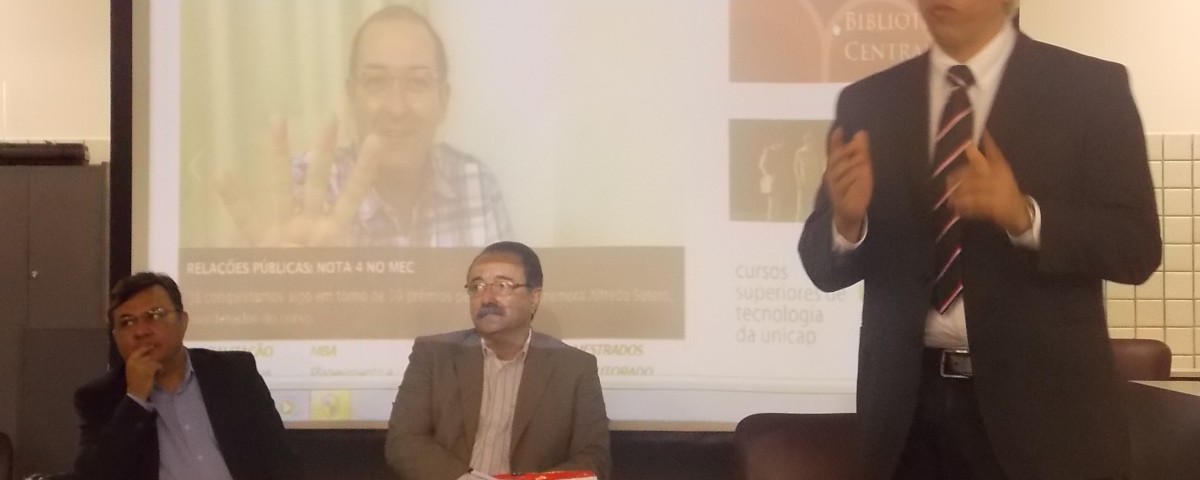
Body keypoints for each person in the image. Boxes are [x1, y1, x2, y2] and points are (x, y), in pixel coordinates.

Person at [798, 0, 1161, 479]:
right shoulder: (869, 101)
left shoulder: (1090, 89)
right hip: (906, 418)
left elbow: (1136, 247)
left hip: (1045, 417)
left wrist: (1025, 217)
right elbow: (822, 267)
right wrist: (846, 222)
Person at [218, 5, 511, 247]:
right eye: (376, 81)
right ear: (352, 97)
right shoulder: (300, 190)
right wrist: (280, 281)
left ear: (443, 100)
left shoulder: (478, 184)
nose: (396, 108)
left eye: (418, 82)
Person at [385, 241, 611, 479]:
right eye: (477, 286)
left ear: (534, 298)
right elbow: (404, 440)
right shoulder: (433, 355)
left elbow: (593, 458)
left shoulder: (574, 368)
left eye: (502, 285)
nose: (486, 298)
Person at [74, 272, 297, 480]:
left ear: (183, 321)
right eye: (127, 322)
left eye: (155, 315)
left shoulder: (234, 372)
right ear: (115, 337)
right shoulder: (100, 397)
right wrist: (135, 400)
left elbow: (281, 460)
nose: (141, 331)